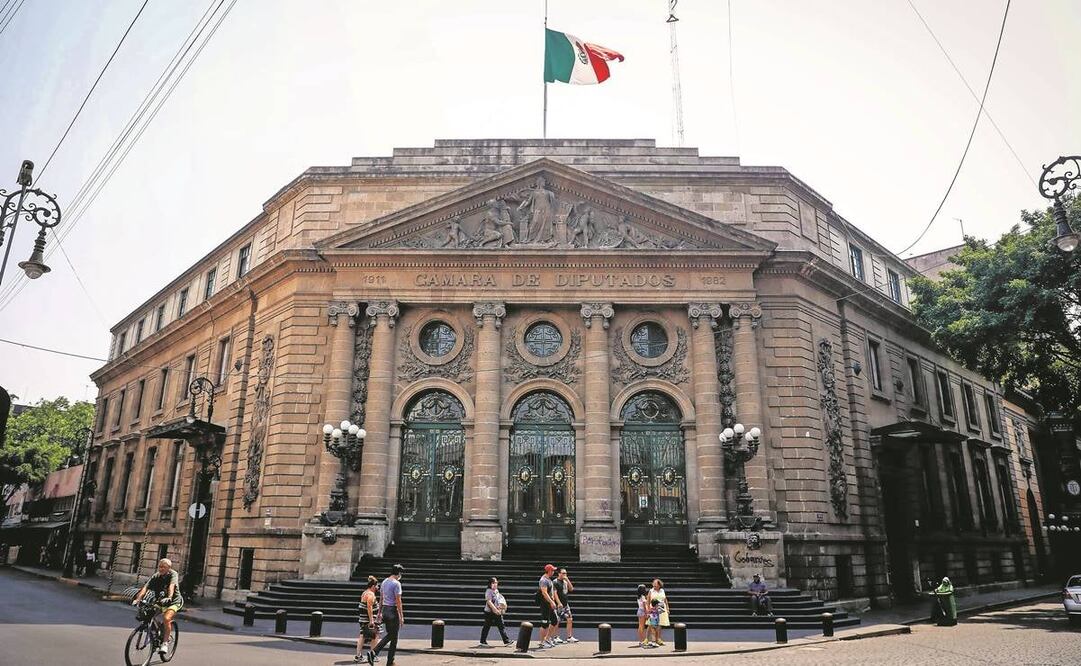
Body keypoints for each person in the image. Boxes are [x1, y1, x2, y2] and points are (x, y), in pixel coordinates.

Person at [132, 558, 183, 656]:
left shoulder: (173, 574)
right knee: (148, 615)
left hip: (174, 601)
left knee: (166, 618)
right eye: (160, 566)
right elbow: (145, 588)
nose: (161, 569)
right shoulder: (156, 576)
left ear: (169, 568)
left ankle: (165, 643)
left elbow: (171, 586)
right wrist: (138, 599)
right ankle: (159, 632)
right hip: (160, 601)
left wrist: (169, 597)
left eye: (164, 567)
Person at [370, 564, 404, 666]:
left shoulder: (384, 582)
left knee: (393, 637)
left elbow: (381, 599)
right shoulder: (396, 584)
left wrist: (379, 612)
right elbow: (398, 601)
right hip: (393, 611)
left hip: (385, 610)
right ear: (398, 573)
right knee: (393, 635)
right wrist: (401, 616)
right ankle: (374, 652)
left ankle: (390, 661)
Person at [480, 577, 513, 646]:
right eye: (493, 583)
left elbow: (499, 599)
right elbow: (489, 602)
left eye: (496, 583)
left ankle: (506, 640)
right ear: (490, 584)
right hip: (489, 612)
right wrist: (495, 610)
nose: (495, 584)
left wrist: (502, 607)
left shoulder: (496, 590)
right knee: (487, 626)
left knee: (501, 625)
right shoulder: (488, 591)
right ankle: (482, 641)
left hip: (497, 611)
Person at [355, 576, 380, 663]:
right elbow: (369, 607)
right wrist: (372, 620)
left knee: (363, 636)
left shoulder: (365, 592)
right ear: (373, 586)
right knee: (375, 636)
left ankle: (358, 656)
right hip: (367, 619)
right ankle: (373, 655)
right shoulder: (370, 594)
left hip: (363, 619)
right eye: (377, 586)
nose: (378, 587)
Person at [535, 564, 560, 649]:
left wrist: (553, 601)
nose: (553, 572)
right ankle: (542, 642)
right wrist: (551, 602)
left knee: (554, 621)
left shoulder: (549, 579)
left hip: (550, 604)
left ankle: (547, 638)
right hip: (545, 604)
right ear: (549, 571)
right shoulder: (543, 580)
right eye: (552, 570)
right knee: (545, 623)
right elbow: (544, 593)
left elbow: (552, 592)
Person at [553, 568, 579, 643]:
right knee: (557, 620)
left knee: (570, 619)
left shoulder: (565, 582)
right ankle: (555, 637)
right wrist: (558, 603)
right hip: (559, 604)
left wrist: (567, 580)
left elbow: (571, 589)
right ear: (559, 574)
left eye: (566, 573)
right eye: (563, 573)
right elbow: (555, 594)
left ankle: (569, 637)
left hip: (565, 604)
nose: (565, 575)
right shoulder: (555, 582)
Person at [647, 578, 670, 646]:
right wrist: (648, 610)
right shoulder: (651, 591)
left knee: (659, 625)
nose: (654, 586)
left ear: (659, 585)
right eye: (653, 585)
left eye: (656, 585)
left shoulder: (662, 591)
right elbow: (648, 601)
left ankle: (658, 639)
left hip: (662, 609)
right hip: (653, 609)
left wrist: (668, 608)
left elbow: (665, 600)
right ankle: (653, 640)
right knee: (653, 625)